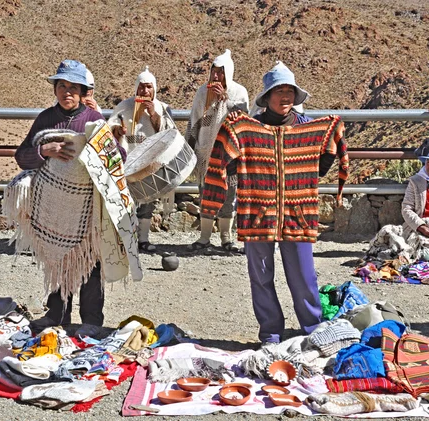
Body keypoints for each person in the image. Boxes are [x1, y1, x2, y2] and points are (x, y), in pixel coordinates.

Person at [201, 61, 348, 344]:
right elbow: (224, 163)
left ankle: (312, 327)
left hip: (299, 213)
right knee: (261, 276)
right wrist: (232, 175)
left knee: (304, 276)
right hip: (256, 212)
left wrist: (327, 151)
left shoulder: (309, 129)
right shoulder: (246, 129)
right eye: (278, 91)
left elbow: (320, 167)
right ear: (266, 97)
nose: (285, 97)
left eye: (289, 91)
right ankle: (270, 331)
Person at [15, 59, 115, 337]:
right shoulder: (46, 119)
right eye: (62, 86)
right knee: (57, 259)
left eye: (73, 87)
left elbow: (118, 158)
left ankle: (92, 320)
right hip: (53, 206)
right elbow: (22, 157)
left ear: (84, 92)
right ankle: (56, 315)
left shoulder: (94, 120)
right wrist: (44, 150)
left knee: (90, 262)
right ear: (55, 89)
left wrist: (100, 147)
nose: (67, 92)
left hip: (87, 207)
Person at [186, 49, 249, 252]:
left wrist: (225, 100)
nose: (216, 76)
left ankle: (226, 238)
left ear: (228, 73)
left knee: (228, 195)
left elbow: (243, 119)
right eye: (214, 71)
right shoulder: (202, 92)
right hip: (206, 151)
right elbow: (195, 121)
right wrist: (191, 146)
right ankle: (204, 238)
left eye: (221, 72)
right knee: (205, 194)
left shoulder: (239, 92)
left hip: (228, 152)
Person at [108, 66, 175, 252]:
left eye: (148, 87)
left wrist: (153, 114)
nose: (145, 91)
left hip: (150, 162)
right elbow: (110, 127)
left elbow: (169, 133)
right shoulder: (125, 106)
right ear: (136, 88)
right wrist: (117, 132)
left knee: (147, 202)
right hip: (128, 161)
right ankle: (126, 238)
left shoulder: (162, 108)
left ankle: (144, 239)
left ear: (154, 88)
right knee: (125, 201)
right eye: (141, 87)